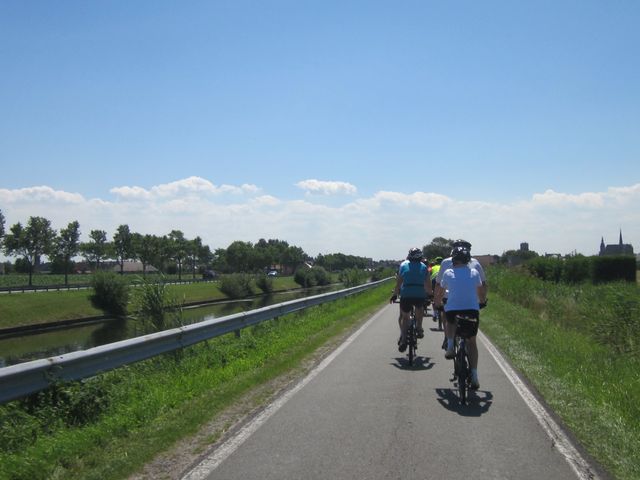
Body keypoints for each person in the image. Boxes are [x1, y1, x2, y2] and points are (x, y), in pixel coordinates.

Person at [434, 245, 487, 389]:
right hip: (471, 310)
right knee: (472, 342)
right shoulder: (475, 272)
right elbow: (481, 292)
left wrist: (437, 303)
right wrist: (482, 302)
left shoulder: (448, 272)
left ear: (453, 260)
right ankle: (475, 375)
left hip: (453, 309)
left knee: (450, 321)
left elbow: (440, 291)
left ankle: (450, 345)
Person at [390, 247, 433, 352]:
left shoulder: (403, 265)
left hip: (406, 294)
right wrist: (430, 295)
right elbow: (428, 284)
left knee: (405, 318)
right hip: (419, 294)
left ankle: (404, 340)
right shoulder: (424, 267)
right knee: (419, 308)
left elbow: (399, 283)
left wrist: (395, 295)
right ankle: (419, 327)